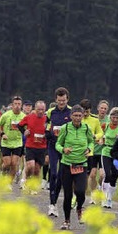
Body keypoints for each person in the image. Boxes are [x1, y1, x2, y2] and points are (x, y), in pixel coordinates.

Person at [55, 105, 94, 230]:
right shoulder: (65, 128)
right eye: (75, 115)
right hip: (67, 165)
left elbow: (91, 141)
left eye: (80, 116)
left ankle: (79, 207)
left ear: (83, 116)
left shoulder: (86, 128)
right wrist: (63, 149)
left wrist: (89, 149)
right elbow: (58, 144)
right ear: (71, 116)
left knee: (81, 191)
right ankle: (66, 220)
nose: (77, 118)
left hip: (81, 165)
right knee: (67, 195)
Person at [46, 87, 72, 217]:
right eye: (59, 101)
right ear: (56, 99)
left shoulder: (72, 112)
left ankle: (55, 202)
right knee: (54, 174)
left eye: (64, 101)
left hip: (65, 148)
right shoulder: (50, 112)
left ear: (67, 99)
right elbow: (46, 126)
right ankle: (51, 203)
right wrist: (48, 134)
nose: (61, 103)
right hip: (53, 146)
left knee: (61, 175)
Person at [18, 100, 48, 191]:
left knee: (37, 169)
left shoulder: (47, 119)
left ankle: (33, 186)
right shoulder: (29, 117)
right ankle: (26, 179)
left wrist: (46, 135)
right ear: (35, 109)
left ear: (45, 109)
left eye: (42, 110)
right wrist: (24, 132)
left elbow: (51, 129)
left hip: (42, 147)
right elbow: (19, 126)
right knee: (30, 165)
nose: (40, 111)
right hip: (30, 145)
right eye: (39, 109)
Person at [100, 107, 118, 208]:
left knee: (114, 175)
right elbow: (100, 136)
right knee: (107, 173)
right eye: (113, 117)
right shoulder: (105, 126)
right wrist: (101, 139)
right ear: (110, 117)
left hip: (117, 154)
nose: (115, 120)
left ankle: (110, 198)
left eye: (117, 117)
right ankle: (104, 197)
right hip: (106, 151)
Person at [79, 99, 104, 204]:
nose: (84, 114)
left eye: (87, 111)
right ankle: (77, 196)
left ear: (90, 110)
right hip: (77, 152)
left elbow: (100, 133)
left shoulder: (95, 120)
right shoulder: (76, 119)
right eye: (83, 111)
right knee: (80, 176)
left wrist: (95, 136)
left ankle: (93, 194)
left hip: (90, 152)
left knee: (91, 175)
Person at [0, 96, 26, 180]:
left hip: (17, 142)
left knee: (14, 163)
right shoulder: (6, 115)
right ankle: (3, 172)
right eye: (15, 104)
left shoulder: (24, 116)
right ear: (12, 105)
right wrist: (2, 134)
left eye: (19, 104)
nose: (17, 106)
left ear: (21, 105)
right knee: (7, 163)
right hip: (6, 142)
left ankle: (9, 183)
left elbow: (27, 128)